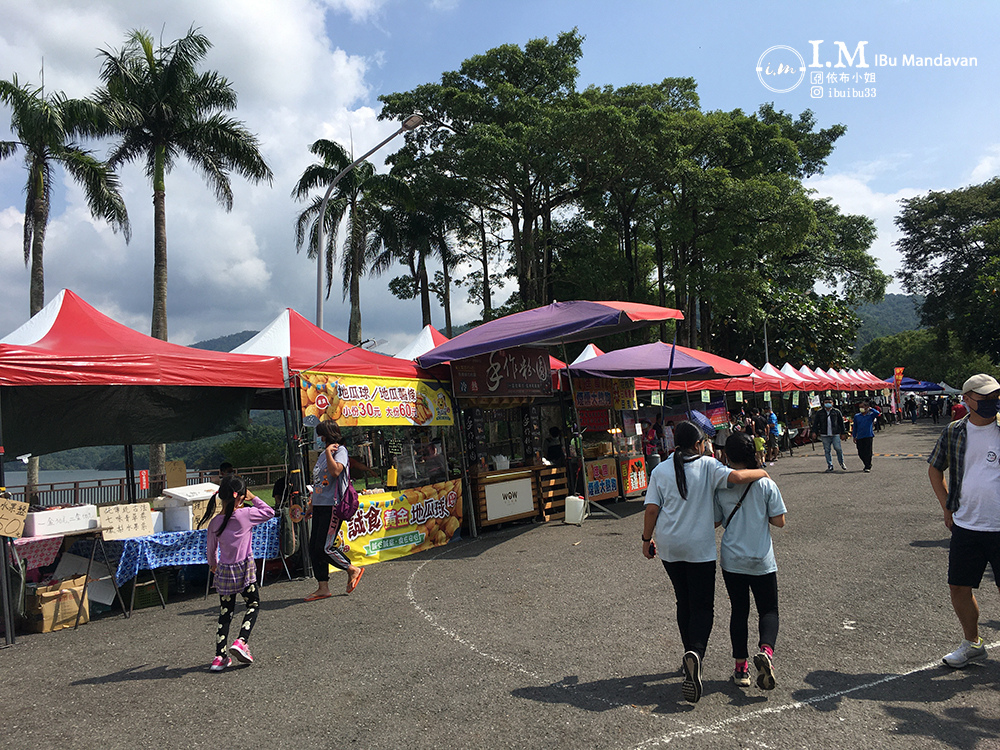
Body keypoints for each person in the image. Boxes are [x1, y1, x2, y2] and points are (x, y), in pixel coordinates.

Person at [641, 421, 770, 704]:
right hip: (699, 548)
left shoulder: (660, 469)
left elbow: (652, 509)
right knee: (703, 606)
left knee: (683, 601)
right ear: (699, 443)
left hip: (669, 546)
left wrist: (645, 539)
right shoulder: (708, 465)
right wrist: (762, 471)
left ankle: (689, 650)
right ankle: (696, 653)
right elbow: (736, 478)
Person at [928, 374, 1000, 668]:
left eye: (995, 397)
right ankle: (972, 643)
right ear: (967, 399)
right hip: (966, 525)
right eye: (984, 398)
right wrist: (947, 508)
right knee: (959, 587)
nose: (991, 403)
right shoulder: (954, 431)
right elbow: (935, 469)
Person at [714, 432, 786, 690]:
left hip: (732, 559)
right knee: (768, 609)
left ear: (728, 456)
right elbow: (779, 521)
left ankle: (741, 668)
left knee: (739, 611)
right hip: (761, 558)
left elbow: (715, 521)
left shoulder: (723, 485)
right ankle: (766, 651)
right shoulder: (766, 484)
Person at [203, 475, 275, 671]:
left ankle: (219, 657)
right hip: (244, 568)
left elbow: (211, 551)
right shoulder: (246, 515)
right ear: (240, 497)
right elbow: (269, 512)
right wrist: (253, 498)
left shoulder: (214, 523)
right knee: (253, 604)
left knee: (225, 613)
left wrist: (213, 565)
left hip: (224, 571)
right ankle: (241, 641)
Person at [304, 422, 365, 601]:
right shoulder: (324, 453)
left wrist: (330, 453)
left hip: (333, 505)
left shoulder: (340, 451)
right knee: (314, 547)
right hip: (320, 504)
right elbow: (318, 482)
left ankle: (352, 569)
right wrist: (311, 504)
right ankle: (322, 587)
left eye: (321, 435)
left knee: (325, 547)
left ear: (328, 434)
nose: (320, 439)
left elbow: (336, 471)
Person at [812, 398, 847, 472]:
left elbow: (841, 423)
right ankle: (830, 465)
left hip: (835, 433)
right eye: (826, 402)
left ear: (832, 403)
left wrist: (843, 433)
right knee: (827, 450)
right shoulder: (819, 412)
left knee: (838, 448)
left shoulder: (836, 412)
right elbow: (816, 423)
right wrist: (814, 432)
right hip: (824, 434)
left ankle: (841, 462)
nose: (827, 403)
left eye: (829, 402)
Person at [851, 400, 882, 473]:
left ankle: (867, 465)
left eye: (862, 407)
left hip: (868, 435)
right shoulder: (857, 416)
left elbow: (877, 413)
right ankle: (866, 463)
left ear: (866, 407)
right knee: (860, 452)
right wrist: (854, 436)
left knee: (868, 451)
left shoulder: (870, 415)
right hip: (860, 436)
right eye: (860, 407)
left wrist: (870, 409)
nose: (861, 408)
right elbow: (855, 426)